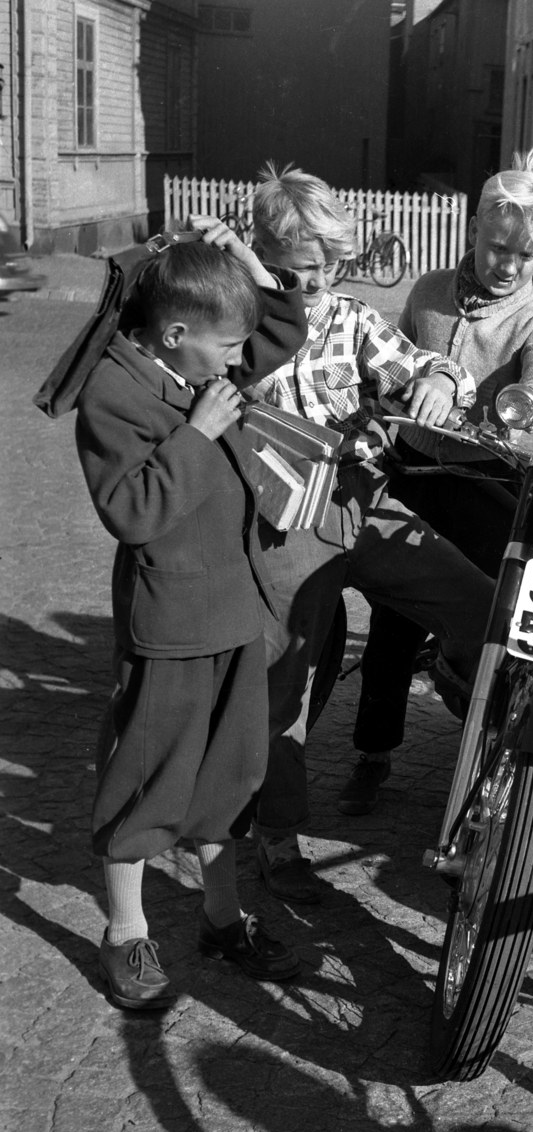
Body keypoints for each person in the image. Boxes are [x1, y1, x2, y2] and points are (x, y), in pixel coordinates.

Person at [243, 162, 495, 904]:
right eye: (293, 271)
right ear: (262, 255)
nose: (310, 284)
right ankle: (276, 833)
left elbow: (423, 362)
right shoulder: (240, 319)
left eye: (324, 269)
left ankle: (459, 684)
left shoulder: (352, 319)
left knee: (483, 607)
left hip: (361, 502)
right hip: (284, 523)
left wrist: (442, 382)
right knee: (288, 681)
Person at [74, 235, 308, 1009]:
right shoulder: (116, 390)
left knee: (230, 778)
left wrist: (245, 259)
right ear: (175, 334)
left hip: (235, 613)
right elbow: (132, 511)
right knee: (147, 779)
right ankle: (127, 935)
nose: (241, 358)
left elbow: (279, 330)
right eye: (228, 345)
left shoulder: (196, 363)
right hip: (171, 624)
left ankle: (221, 919)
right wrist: (198, 434)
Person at [342, 146, 533, 816]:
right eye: (499, 249)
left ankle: (489, 752)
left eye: (525, 259)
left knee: (502, 612)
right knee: (391, 618)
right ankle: (372, 752)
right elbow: (396, 361)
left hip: (484, 477)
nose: (509, 267)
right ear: (474, 230)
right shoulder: (429, 292)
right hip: (414, 470)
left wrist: (527, 403)